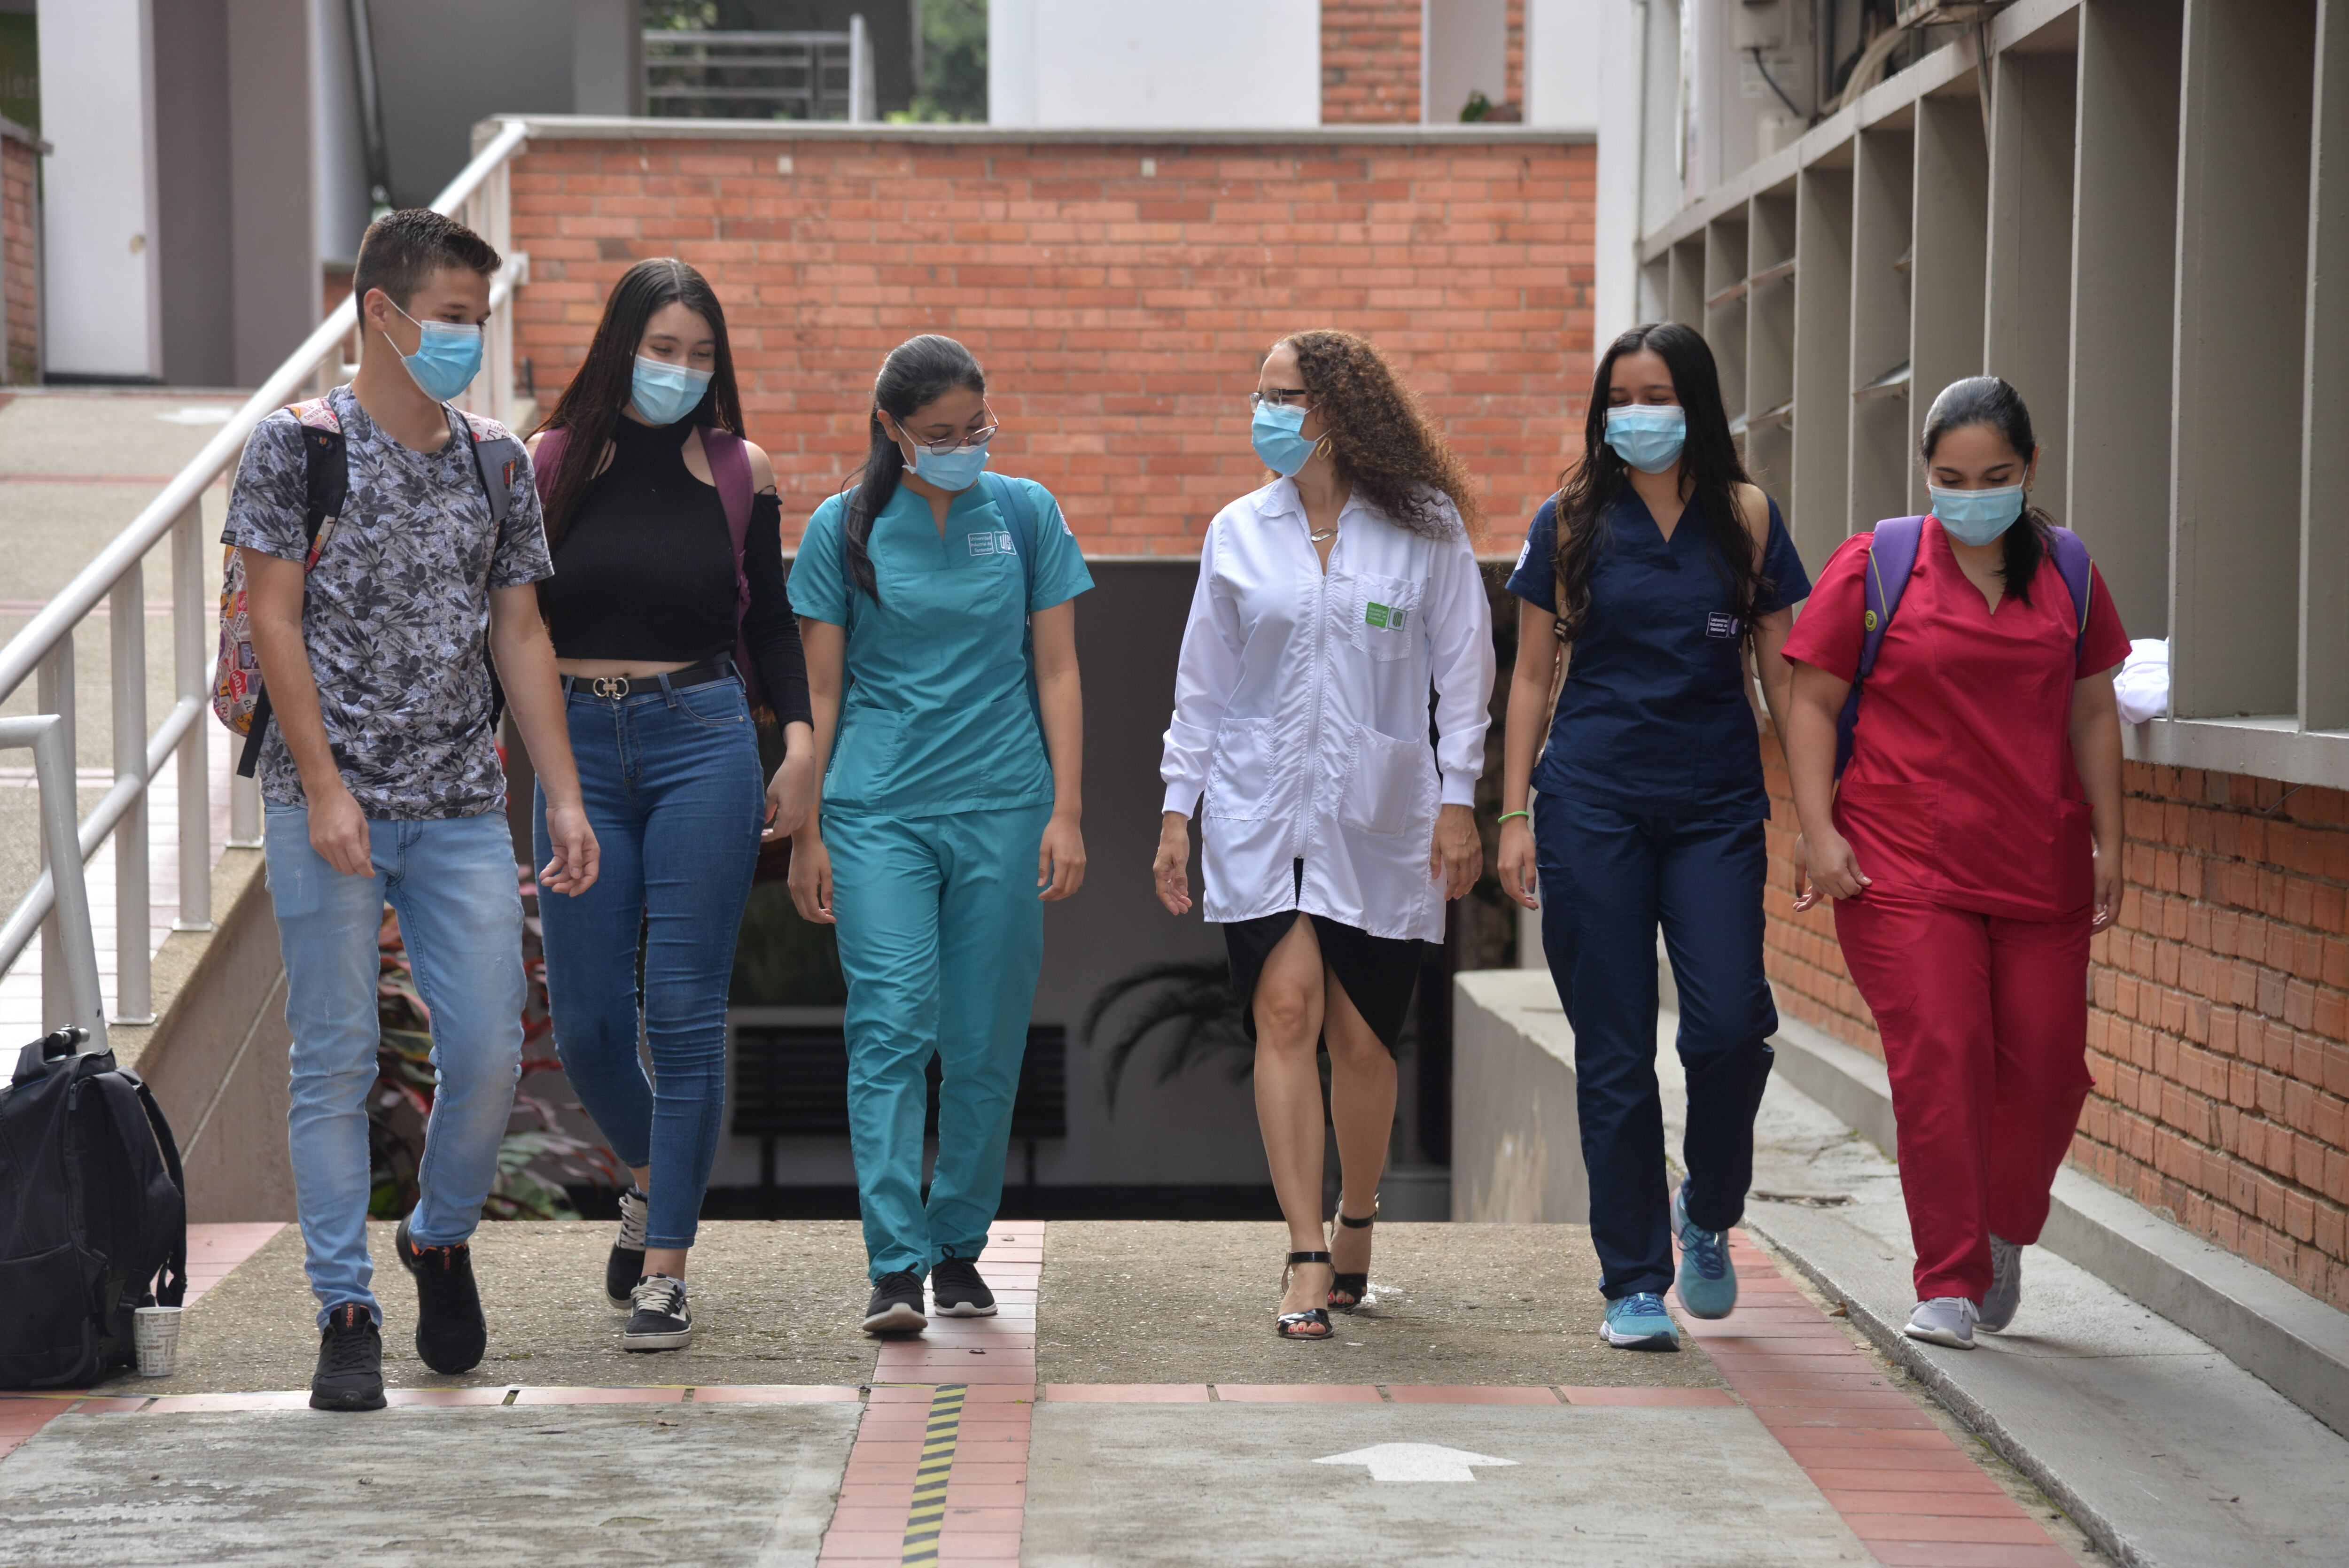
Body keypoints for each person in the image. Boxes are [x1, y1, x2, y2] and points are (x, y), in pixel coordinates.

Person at [226, 210, 599, 1412]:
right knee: (332, 1055)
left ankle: (437, 1235)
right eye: (449, 319)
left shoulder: (496, 459)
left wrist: (567, 799)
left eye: (476, 323)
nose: (466, 343)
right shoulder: (297, 447)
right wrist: (326, 788)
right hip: (324, 800)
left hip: (459, 801)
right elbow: (273, 616)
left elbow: (521, 629)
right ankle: (345, 1308)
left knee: (488, 1048)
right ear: (378, 314)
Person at [1154, 330, 1493, 1341]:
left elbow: (1464, 674)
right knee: (1287, 1013)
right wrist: (1180, 809)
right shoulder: (1237, 532)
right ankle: (1304, 1250)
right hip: (1258, 816)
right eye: (1257, 392)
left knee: (1360, 1041)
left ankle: (1358, 1211)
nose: (1264, 412)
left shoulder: (1425, 528)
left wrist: (1460, 795)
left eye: (1284, 394)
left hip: (1381, 819)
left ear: (1340, 409)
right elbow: (1202, 687)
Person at [1782, 375, 2127, 1350]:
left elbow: (2092, 705)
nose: (1971, 493)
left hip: (2037, 859)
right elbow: (1810, 700)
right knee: (1944, 1054)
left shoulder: (2068, 571)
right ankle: (1947, 1278)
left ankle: (2002, 1225)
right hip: (1902, 861)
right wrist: (1817, 830)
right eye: (1949, 476)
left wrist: (2112, 836)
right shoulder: (1880, 563)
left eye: (1994, 476)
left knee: (2051, 1070)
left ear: (2029, 471)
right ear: (1925, 473)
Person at [1494, 321, 1810, 1352]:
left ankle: (1707, 1208)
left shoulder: (1747, 520)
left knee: (1727, 1030)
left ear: (1699, 404)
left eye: (1659, 394)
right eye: (1620, 397)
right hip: (1591, 804)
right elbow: (1533, 675)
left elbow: (1787, 681)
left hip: (1716, 807)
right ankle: (1632, 1277)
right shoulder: (1570, 519)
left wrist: (1816, 818)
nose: (1638, 414)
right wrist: (1512, 814)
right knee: (1615, 1050)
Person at [524, 259, 816, 1352]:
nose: (680, 371)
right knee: (592, 1020)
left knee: (682, 1014)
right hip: (576, 750)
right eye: (662, 349)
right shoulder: (550, 462)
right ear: (620, 348)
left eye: (700, 354)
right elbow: (515, 624)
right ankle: (654, 1181)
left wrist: (797, 743)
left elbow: (772, 623)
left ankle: (667, 1269)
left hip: (703, 742)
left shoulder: (743, 468)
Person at [786, 334, 1092, 1335]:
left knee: (985, 1034)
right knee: (890, 1022)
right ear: (892, 430)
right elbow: (822, 689)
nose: (964, 448)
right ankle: (893, 1263)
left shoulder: (1027, 512)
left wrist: (1067, 810)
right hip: (877, 810)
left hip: (1005, 803)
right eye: (941, 435)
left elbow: (1056, 669)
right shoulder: (845, 528)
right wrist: (809, 831)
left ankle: (958, 1241)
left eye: (978, 430)